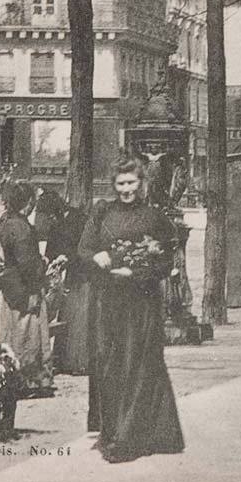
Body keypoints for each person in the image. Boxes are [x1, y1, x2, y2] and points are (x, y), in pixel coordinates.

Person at [77, 157, 184, 463]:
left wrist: (138, 274)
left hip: (141, 304)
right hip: (108, 302)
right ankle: (113, 431)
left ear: (142, 183)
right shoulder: (102, 213)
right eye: (120, 184)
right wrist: (96, 255)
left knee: (139, 365)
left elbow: (166, 262)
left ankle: (130, 438)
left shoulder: (153, 217)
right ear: (114, 185)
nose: (126, 189)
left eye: (131, 183)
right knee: (111, 365)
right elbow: (83, 249)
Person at [0, 182, 54, 396]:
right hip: (25, 288)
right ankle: (27, 381)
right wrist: (43, 266)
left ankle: (11, 376)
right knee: (28, 335)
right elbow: (28, 264)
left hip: (10, 286)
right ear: (28, 204)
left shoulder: (5, 221)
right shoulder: (22, 228)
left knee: (12, 334)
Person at [39, 191, 94, 376]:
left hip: (85, 273)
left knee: (79, 315)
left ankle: (79, 361)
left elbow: (85, 248)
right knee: (70, 313)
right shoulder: (62, 223)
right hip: (73, 275)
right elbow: (50, 253)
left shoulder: (79, 220)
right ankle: (64, 360)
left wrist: (65, 259)